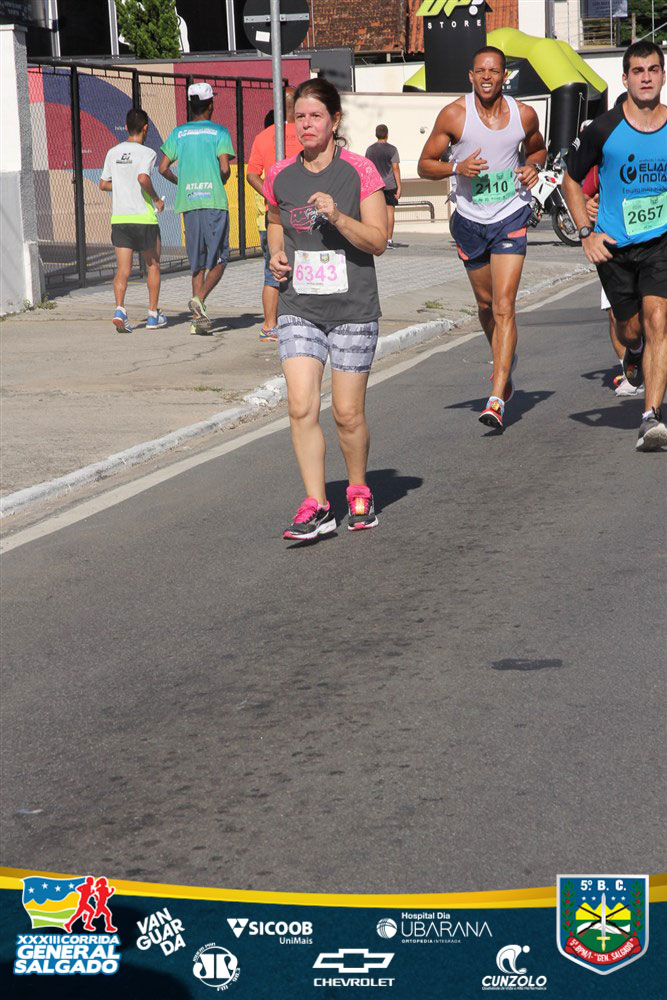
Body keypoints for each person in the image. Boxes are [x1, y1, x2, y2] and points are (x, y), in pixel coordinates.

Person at [264, 77, 387, 541]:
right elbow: (276, 219)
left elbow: (378, 240)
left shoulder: (360, 172)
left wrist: (337, 216)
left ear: (335, 121)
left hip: (353, 309)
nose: (306, 124)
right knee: (301, 406)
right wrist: (276, 254)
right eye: (299, 117)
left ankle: (358, 489)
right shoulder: (281, 174)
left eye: (316, 116)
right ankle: (316, 503)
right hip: (299, 306)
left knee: (347, 413)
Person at [418, 46, 547, 431]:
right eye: (481, 71)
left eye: (494, 71)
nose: (487, 77)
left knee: (505, 305)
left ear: (504, 76)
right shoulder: (454, 115)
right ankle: (505, 357)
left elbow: (538, 149)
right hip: (470, 220)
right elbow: (425, 165)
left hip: (510, 215)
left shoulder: (524, 114)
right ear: (471, 76)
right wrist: (456, 167)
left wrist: (532, 166)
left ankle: (496, 394)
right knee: (487, 304)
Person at [563, 40, 667, 451]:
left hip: (660, 242)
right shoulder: (603, 129)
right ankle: (634, 351)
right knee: (632, 327)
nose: (646, 78)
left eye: (653, 70)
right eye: (638, 71)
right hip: (614, 246)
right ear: (625, 79)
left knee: (658, 318)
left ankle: (651, 417)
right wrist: (585, 233)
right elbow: (571, 180)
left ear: (663, 76)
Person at [159, 82, 235, 334]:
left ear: (191, 105)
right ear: (211, 105)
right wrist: (221, 180)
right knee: (221, 257)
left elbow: (162, 168)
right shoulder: (219, 132)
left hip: (189, 203)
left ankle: (197, 321)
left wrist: (181, 183)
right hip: (213, 202)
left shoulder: (178, 133)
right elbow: (224, 168)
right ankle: (199, 299)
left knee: (198, 262)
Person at [99, 107, 166, 333]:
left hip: (120, 218)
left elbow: (103, 184)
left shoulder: (112, 152)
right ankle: (153, 315)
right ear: (145, 128)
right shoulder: (148, 153)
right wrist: (156, 199)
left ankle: (120, 310)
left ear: (126, 127)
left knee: (123, 270)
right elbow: (142, 178)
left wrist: (121, 186)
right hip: (143, 218)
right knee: (153, 265)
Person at [247, 88, 301, 341]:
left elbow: (251, 174)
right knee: (302, 268)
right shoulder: (306, 134)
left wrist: (271, 196)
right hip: (303, 215)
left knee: (272, 272)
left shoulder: (263, 136)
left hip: (274, 217)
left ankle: (269, 326)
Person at [365, 124, 402, 249]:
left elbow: (367, 168)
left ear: (376, 134)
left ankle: (376, 238)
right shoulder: (392, 149)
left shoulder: (370, 150)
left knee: (375, 213)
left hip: (375, 185)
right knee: (390, 211)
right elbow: (395, 168)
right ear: (387, 134)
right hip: (390, 184)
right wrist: (399, 187)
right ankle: (389, 240)